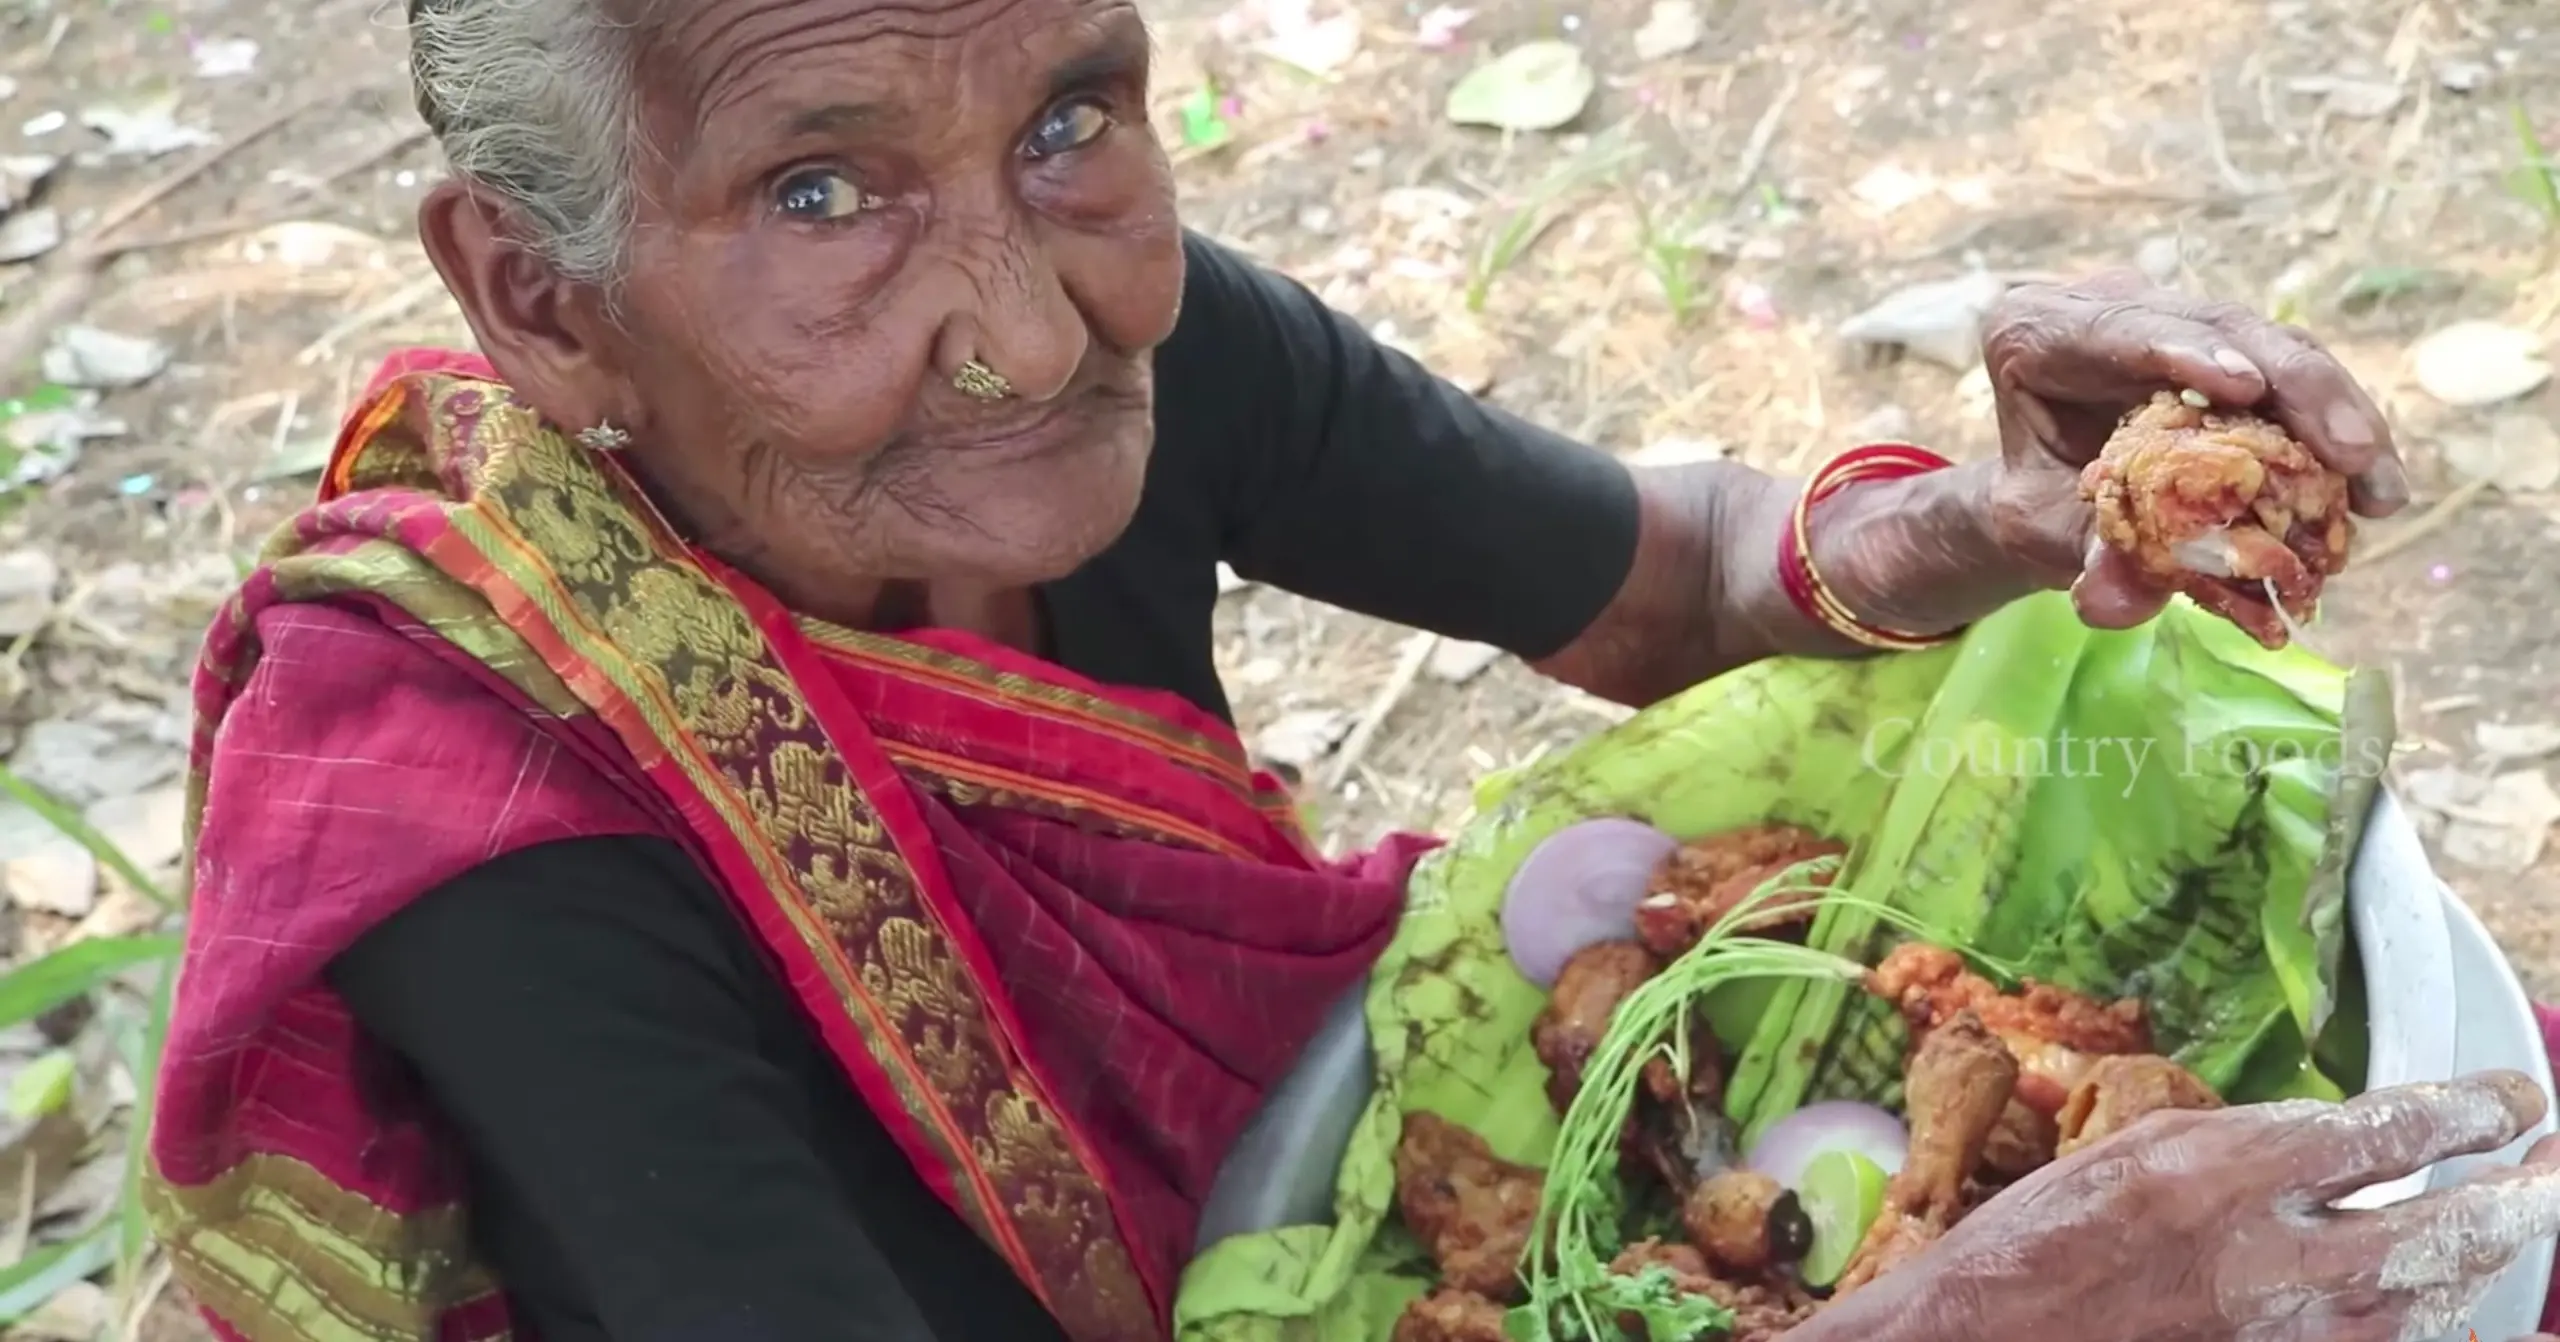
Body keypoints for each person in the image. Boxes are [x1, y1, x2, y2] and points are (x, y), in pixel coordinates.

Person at [135, 0, 2560, 1338]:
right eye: (818, 193)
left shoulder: (1130, 365)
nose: (1016, 319)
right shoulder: (495, 830)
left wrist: (1993, 518)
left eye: (1071, 119)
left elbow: (1668, 572)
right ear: (539, 298)